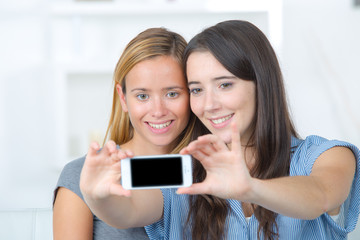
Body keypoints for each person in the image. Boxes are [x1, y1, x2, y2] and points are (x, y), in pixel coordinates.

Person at [79, 20, 360, 240]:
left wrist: (251, 188)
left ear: (263, 84)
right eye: (197, 89)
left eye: (225, 84)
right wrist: (96, 196)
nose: (209, 105)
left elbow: (321, 194)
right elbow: (127, 212)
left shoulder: (327, 155)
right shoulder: (183, 167)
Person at [53, 27, 197, 240]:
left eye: (172, 93)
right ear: (123, 98)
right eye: (142, 96)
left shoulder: (211, 171)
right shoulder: (80, 177)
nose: (158, 111)